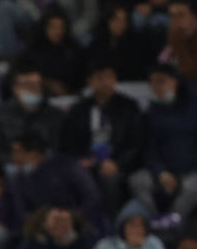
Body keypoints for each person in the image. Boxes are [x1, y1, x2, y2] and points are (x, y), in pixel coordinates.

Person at [128, 63, 197, 221]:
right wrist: (161, 172)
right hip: (165, 172)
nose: (156, 86)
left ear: (174, 82)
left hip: (196, 169)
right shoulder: (152, 112)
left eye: (161, 81)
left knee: (192, 186)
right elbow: (149, 148)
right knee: (137, 180)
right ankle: (154, 221)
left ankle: (172, 224)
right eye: (152, 82)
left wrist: (180, 173)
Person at [58, 61, 144, 215]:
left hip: (116, 162)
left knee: (108, 179)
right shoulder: (79, 109)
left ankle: (112, 224)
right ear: (90, 81)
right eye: (99, 78)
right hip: (86, 160)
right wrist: (80, 159)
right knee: (71, 177)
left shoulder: (129, 107)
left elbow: (135, 143)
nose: (105, 82)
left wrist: (117, 162)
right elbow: (68, 142)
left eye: (109, 77)